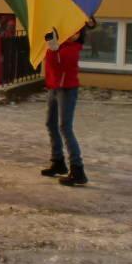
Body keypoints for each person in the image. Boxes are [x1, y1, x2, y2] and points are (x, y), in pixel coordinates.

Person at [40, 25, 89, 186]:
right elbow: (49, 65)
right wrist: (53, 48)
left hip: (67, 90)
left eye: (77, 32)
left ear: (80, 35)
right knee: (50, 124)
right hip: (54, 88)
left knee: (65, 127)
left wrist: (54, 50)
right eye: (72, 30)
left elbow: (59, 64)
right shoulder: (62, 44)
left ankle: (77, 169)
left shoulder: (73, 48)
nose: (73, 34)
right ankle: (58, 161)